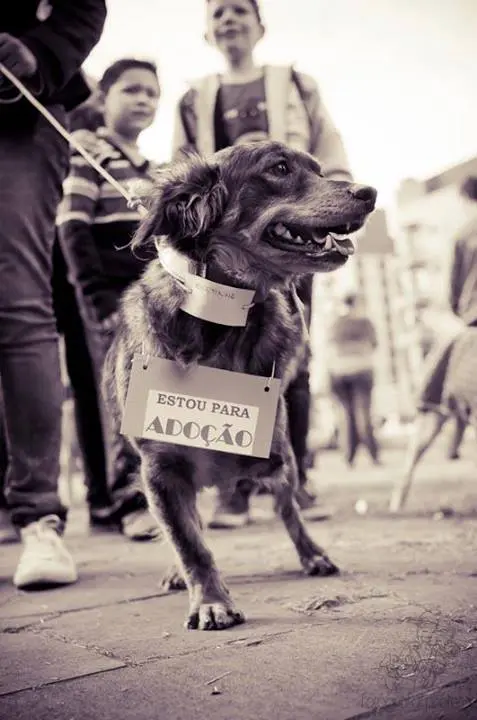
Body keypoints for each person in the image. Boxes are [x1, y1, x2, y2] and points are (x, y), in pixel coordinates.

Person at [172, 0, 353, 528]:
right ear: (208, 32)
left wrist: (330, 207)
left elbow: (328, 143)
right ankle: (233, 490)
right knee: (220, 359)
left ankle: (294, 479)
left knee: (289, 355)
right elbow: (181, 163)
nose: (229, 19)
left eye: (239, 10)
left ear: (260, 26)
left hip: (295, 237)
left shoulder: (296, 82)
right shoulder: (193, 98)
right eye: (218, 13)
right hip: (225, 248)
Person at [0, 1, 107, 588]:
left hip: (16, 110)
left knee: (18, 305)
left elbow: (83, 4)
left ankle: (38, 514)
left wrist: (37, 52)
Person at [56, 58, 162, 541]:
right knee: (118, 399)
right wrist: (94, 296)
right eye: (131, 90)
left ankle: (137, 493)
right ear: (104, 98)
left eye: (152, 93)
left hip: (149, 300)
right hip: (106, 298)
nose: (143, 99)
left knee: (150, 395)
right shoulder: (87, 155)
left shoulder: (155, 170)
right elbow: (72, 228)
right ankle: (126, 500)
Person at [390, 175, 477, 511]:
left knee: (434, 410)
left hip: (470, 333)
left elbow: (454, 295)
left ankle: (401, 491)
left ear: (466, 199)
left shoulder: (464, 234)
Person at [327, 292, 380, 467]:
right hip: (362, 370)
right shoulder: (365, 323)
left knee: (346, 416)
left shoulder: (336, 323)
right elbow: (373, 345)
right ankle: (373, 455)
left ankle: (349, 458)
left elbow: (330, 348)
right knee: (363, 414)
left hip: (339, 372)